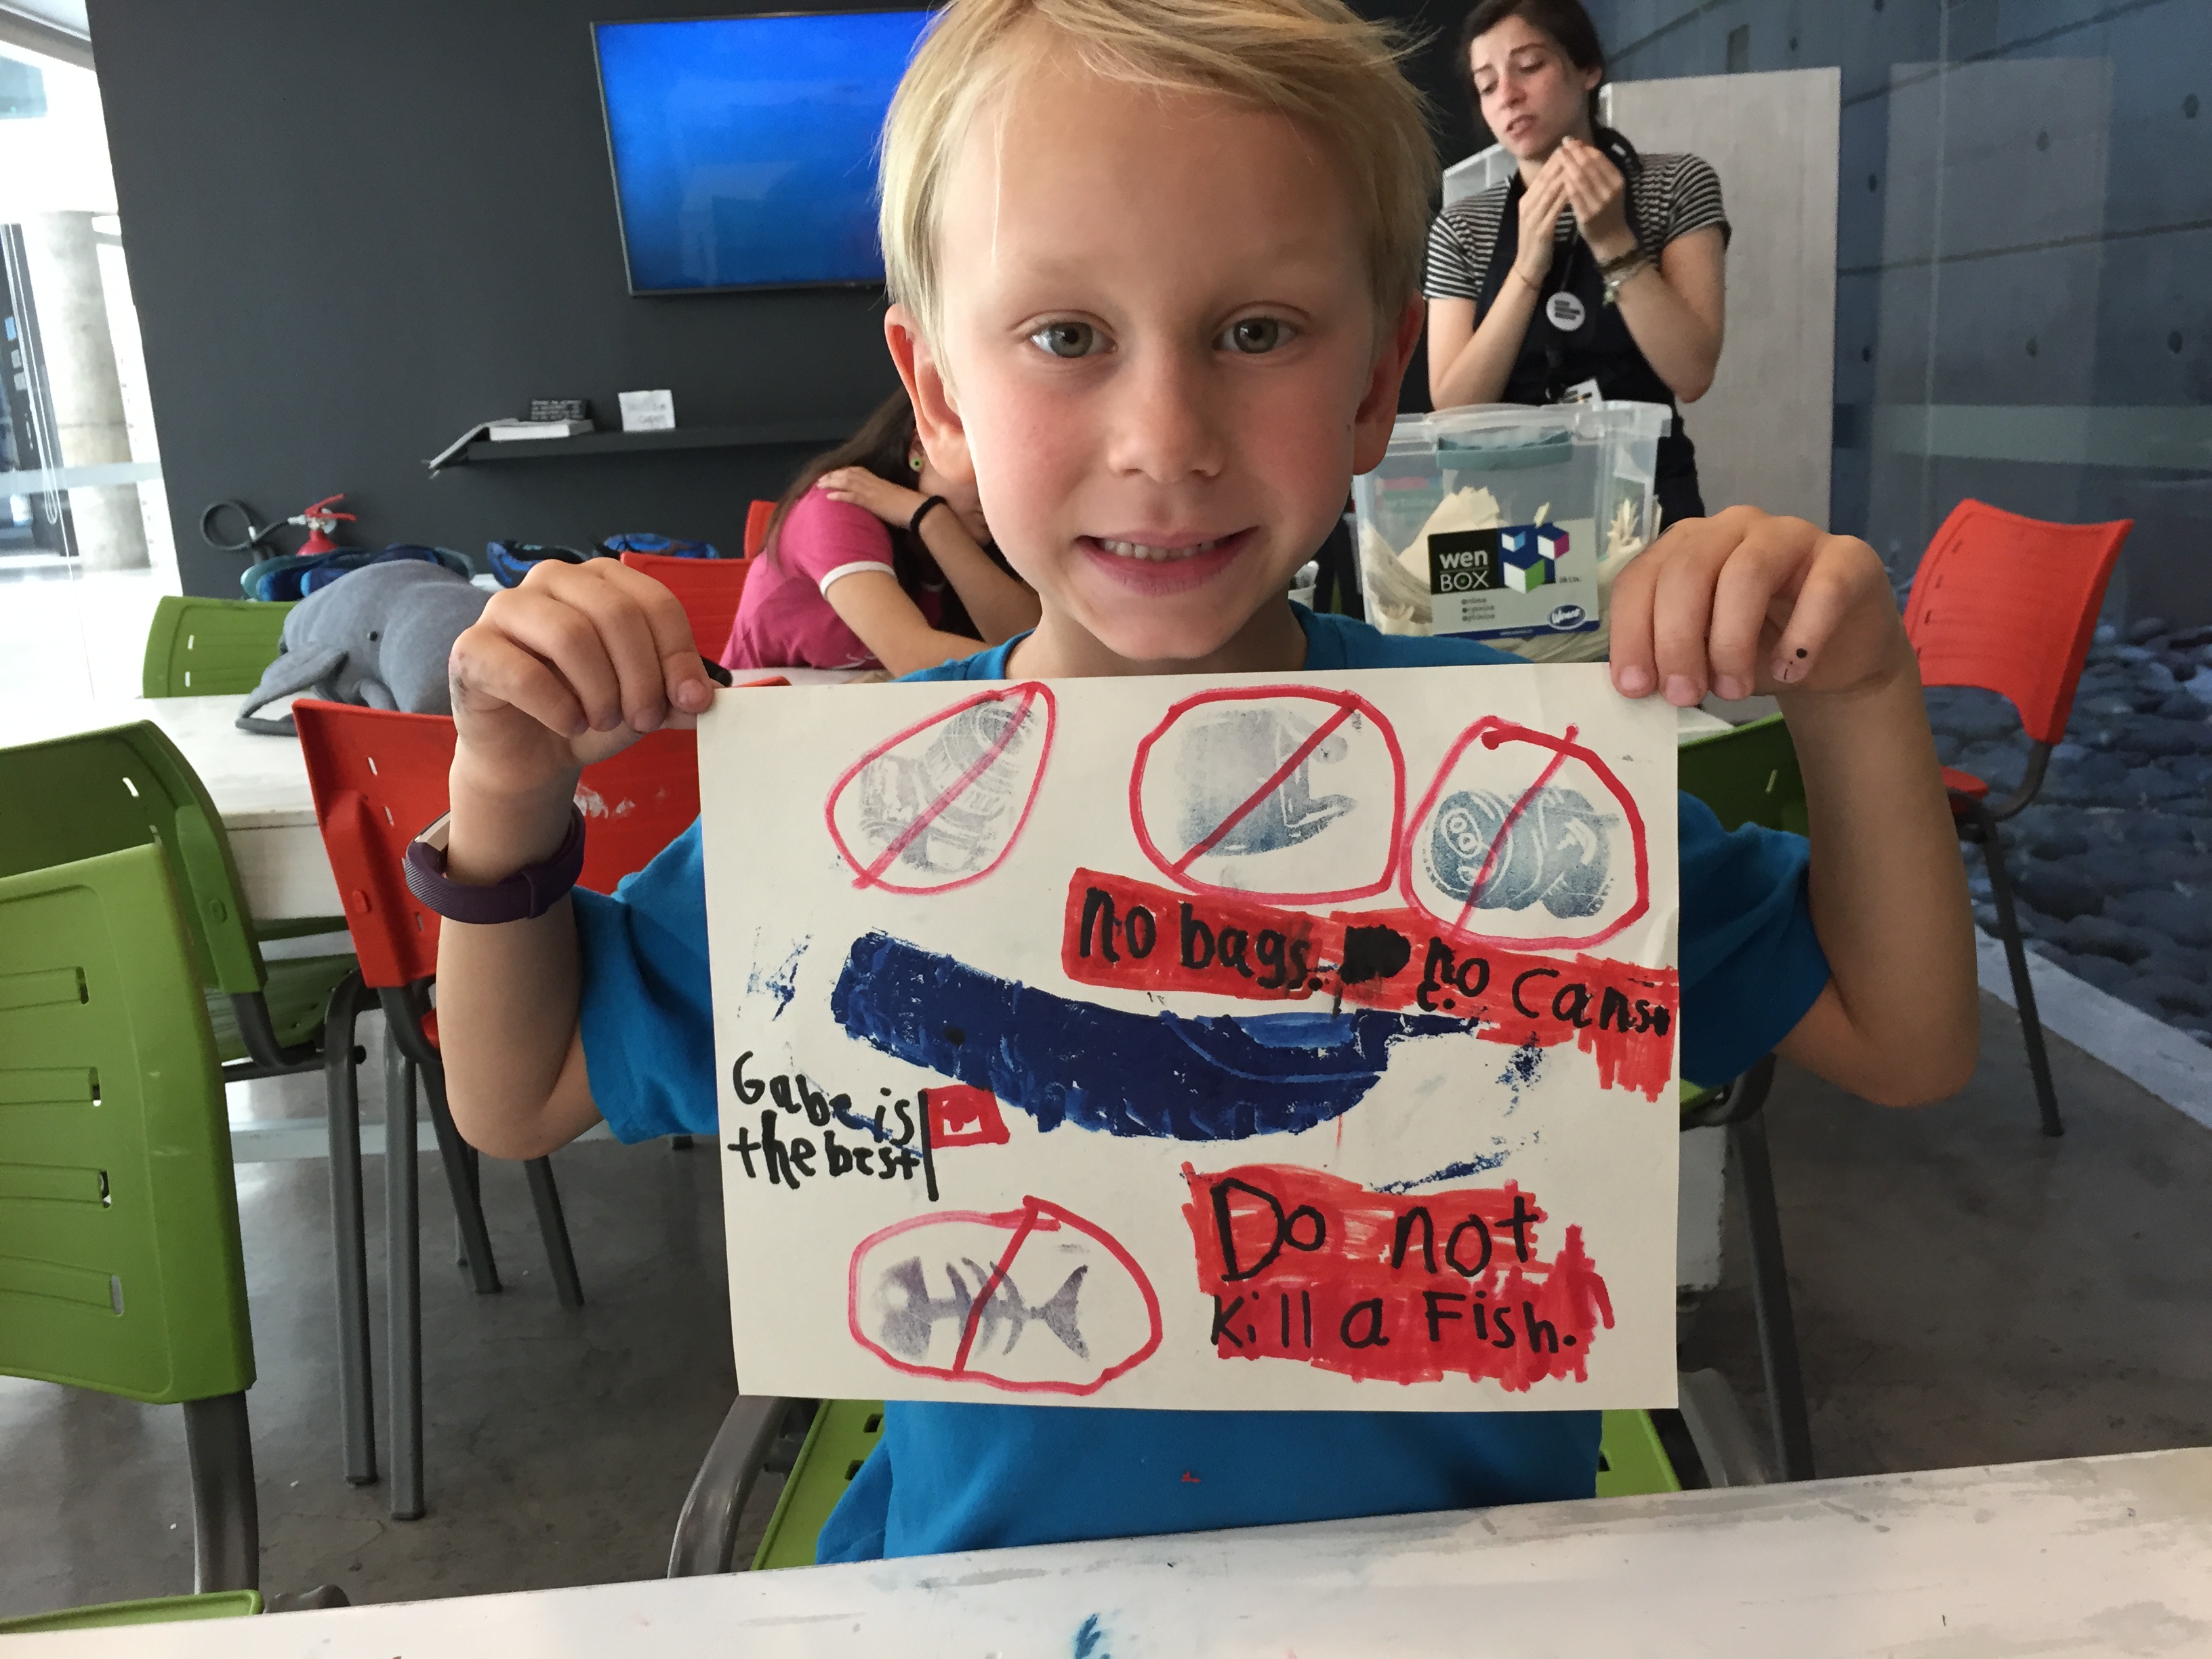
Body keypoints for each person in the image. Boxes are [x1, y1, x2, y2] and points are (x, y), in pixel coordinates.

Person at [436, 0, 1975, 1567]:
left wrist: (1854, 694)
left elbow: (1904, 1036)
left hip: (1455, 1607)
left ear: (1375, 384)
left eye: (1256, 332)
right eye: (1066, 337)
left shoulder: (1509, 792)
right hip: (977, 1603)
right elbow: (520, 1088)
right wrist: (504, 784)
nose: (1165, 441)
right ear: (940, 395)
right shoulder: (877, 814)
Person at [1427, 0, 1727, 529]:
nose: (1508, 95)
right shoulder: (1463, 226)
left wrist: (1612, 241)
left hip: (1642, 502)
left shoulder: (1674, 186)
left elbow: (1692, 372)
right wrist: (1527, 268)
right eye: (1487, 85)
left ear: (1588, 69)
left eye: (1529, 66)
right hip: (1507, 512)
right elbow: (1454, 410)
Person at [720, 390, 1040, 676]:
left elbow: (1028, 636)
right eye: (989, 463)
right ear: (921, 446)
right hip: (761, 711)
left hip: (876, 712)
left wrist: (935, 524)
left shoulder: (982, 529)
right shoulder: (837, 502)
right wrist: (931, 516)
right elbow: (912, 655)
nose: (1004, 492)